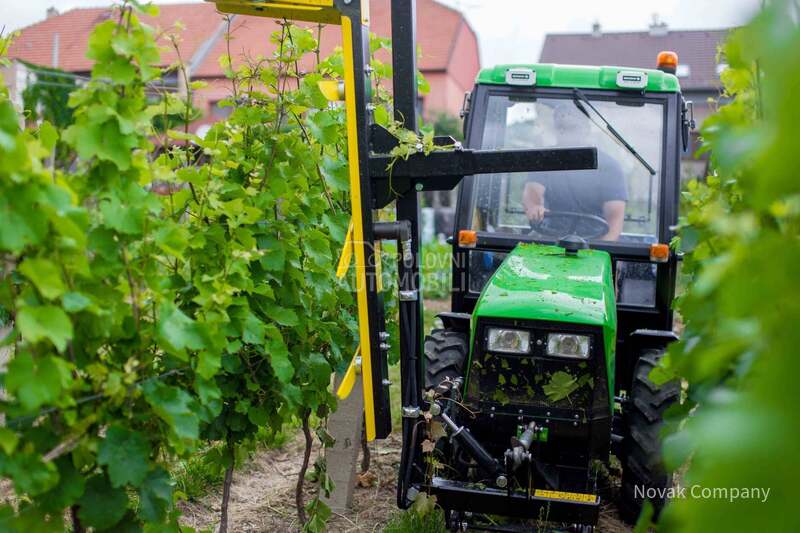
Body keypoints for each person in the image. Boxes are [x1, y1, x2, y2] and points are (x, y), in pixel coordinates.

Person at [522, 103, 628, 241]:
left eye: (572, 128)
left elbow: (614, 223)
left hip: (595, 242)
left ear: (586, 129)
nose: (566, 133)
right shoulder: (544, 160)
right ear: (556, 129)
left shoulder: (609, 167)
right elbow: (532, 194)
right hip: (550, 238)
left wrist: (599, 249)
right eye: (562, 128)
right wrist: (536, 207)